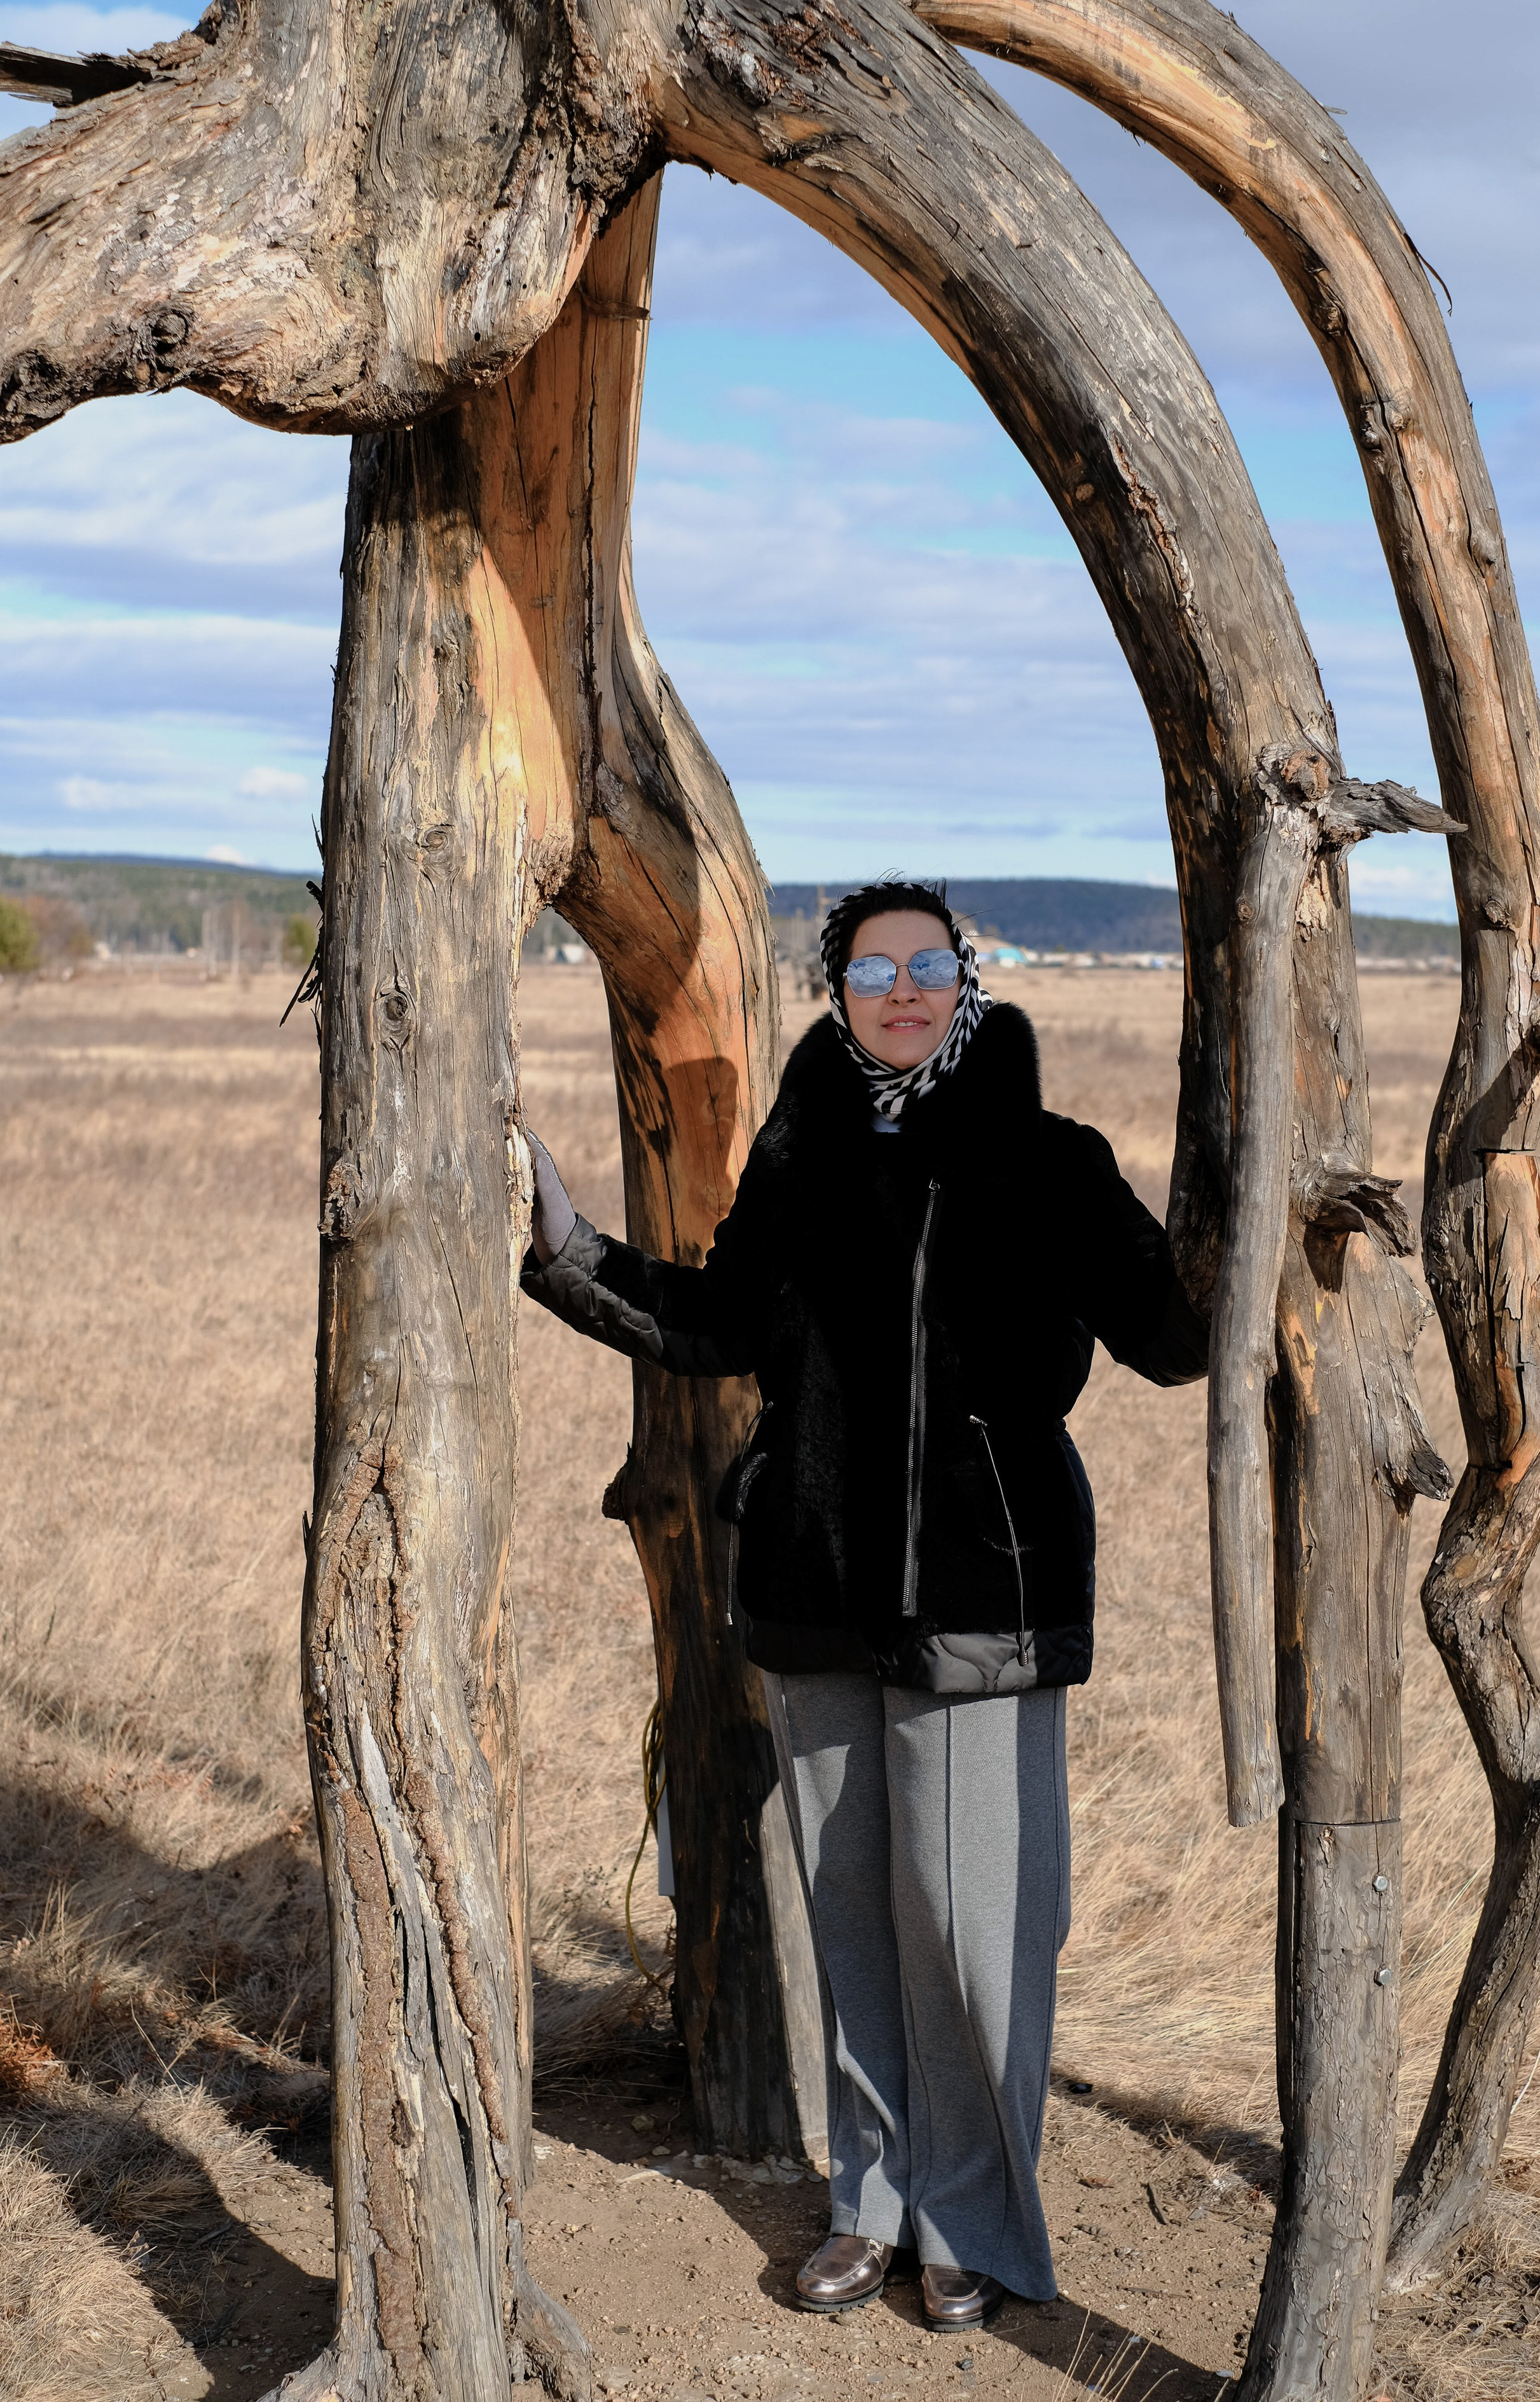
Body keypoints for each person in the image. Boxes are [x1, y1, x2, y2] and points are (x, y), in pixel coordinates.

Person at [520, 878, 1206, 2333]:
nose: (901, 988)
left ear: (967, 977)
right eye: (871, 967)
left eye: (927, 963)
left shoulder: (1046, 1160)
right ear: (832, 990)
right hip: (813, 1588)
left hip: (982, 1589)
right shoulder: (798, 1163)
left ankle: (972, 2217)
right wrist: (569, 1252)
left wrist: (1245, 1203)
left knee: (968, 1927)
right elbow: (714, 1322)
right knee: (853, 1920)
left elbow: (1171, 1338)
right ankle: (869, 2201)